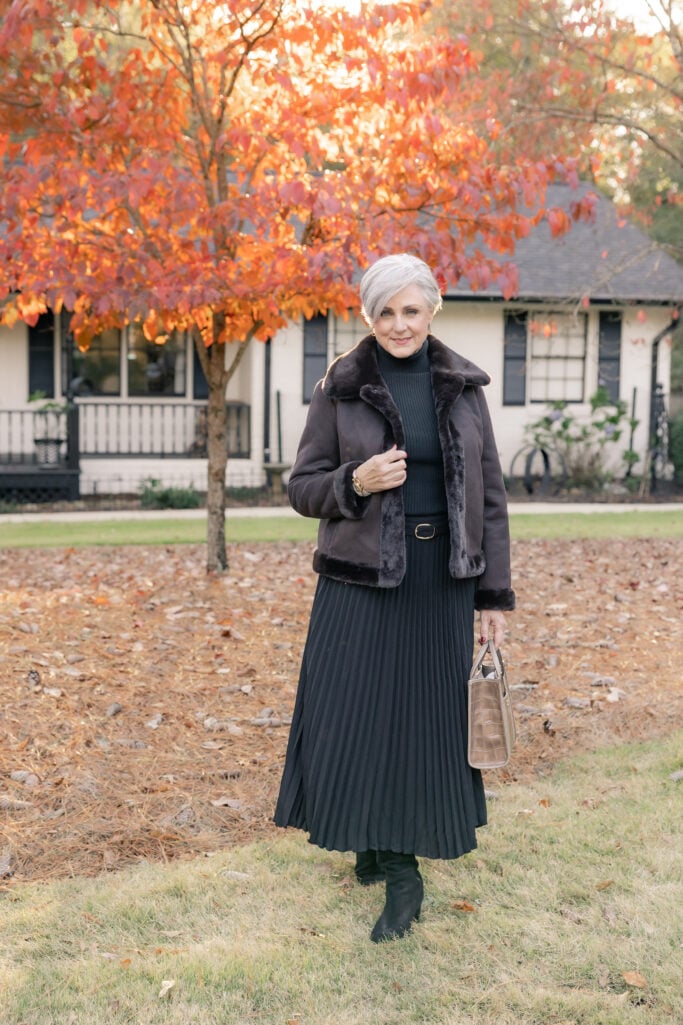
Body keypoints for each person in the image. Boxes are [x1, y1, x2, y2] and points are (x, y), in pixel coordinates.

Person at [274, 253, 514, 943]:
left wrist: (493, 596)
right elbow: (302, 487)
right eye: (385, 311)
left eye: (411, 310)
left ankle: (401, 867)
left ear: (432, 309)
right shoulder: (340, 387)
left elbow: (491, 500)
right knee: (355, 716)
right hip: (358, 581)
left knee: (421, 721)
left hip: (440, 582)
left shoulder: (464, 387)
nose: (399, 324)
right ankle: (374, 844)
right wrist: (357, 480)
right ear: (367, 315)